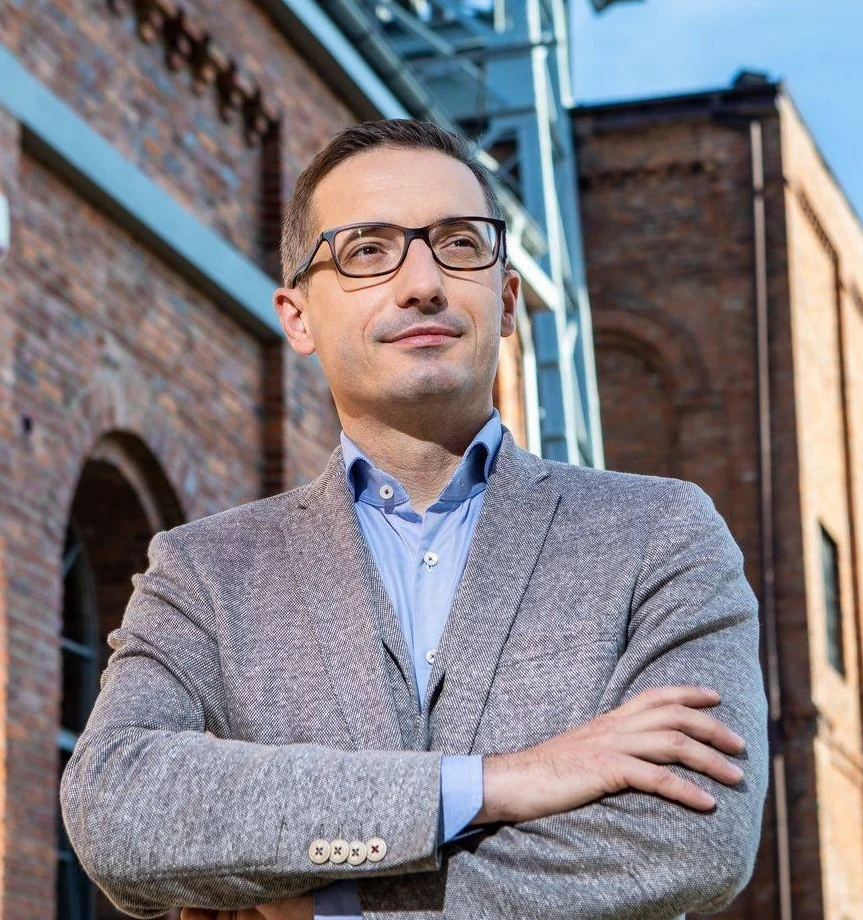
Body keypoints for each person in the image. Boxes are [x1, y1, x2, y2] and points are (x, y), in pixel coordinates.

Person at [60, 119, 769, 920]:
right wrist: (497, 782)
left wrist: (327, 905)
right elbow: (116, 807)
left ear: (506, 300)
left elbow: (695, 837)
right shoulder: (207, 572)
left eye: (459, 244)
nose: (423, 283)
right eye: (367, 250)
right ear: (297, 317)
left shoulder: (660, 534)